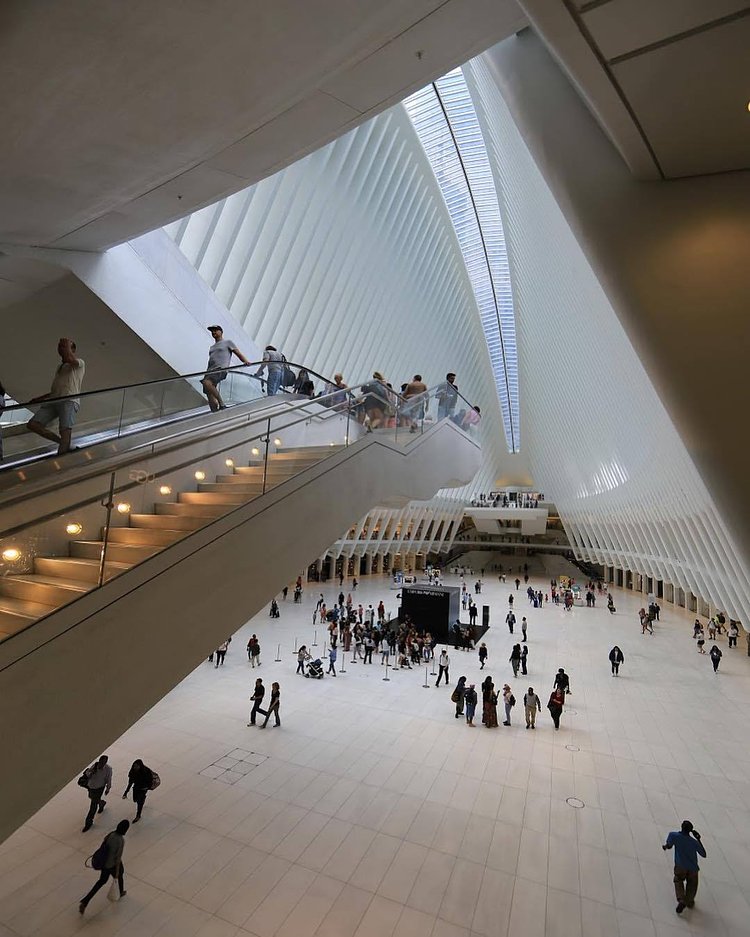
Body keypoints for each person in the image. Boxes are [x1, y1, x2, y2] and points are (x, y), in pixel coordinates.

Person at [26, 337, 85, 455]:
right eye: (60, 346)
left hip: (69, 400)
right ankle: (63, 442)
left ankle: (61, 458)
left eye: (64, 346)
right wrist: (40, 398)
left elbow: (70, 359)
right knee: (33, 424)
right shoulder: (60, 367)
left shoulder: (79, 363)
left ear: (72, 349)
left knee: (65, 430)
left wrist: (67, 345)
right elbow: (57, 389)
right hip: (54, 400)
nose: (61, 348)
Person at [79, 819, 129, 914]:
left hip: (104, 864)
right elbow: (118, 858)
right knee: (120, 875)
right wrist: (117, 871)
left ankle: (85, 901)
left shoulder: (111, 834)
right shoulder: (121, 840)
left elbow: (104, 843)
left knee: (101, 882)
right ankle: (121, 891)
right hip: (112, 865)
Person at [200, 325, 250, 411]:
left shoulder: (227, 342)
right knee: (208, 392)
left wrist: (245, 361)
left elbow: (238, 353)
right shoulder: (212, 347)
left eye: (215, 330)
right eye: (212, 331)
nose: (213, 332)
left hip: (220, 369)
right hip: (210, 371)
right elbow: (211, 360)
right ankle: (215, 411)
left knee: (207, 383)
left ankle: (222, 403)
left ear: (221, 332)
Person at [662, 820, 707, 914]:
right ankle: (689, 902)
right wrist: (698, 839)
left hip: (680, 865)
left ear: (681, 827)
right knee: (692, 885)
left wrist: (665, 847)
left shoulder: (674, 835)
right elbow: (703, 854)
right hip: (693, 868)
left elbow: (669, 845)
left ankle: (681, 899)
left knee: (678, 880)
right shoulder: (693, 842)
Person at [81, 755, 113, 832]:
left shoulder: (108, 769)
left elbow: (109, 779)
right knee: (92, 798)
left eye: (103, 762)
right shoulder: (95, 765)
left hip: (99, 788)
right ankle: (101, 803)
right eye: (101, 762)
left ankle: (88, 822)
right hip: (91, 786)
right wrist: (90, 773)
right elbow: (87, 774)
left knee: (93, 805)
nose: (101, 764)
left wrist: (108, 788)